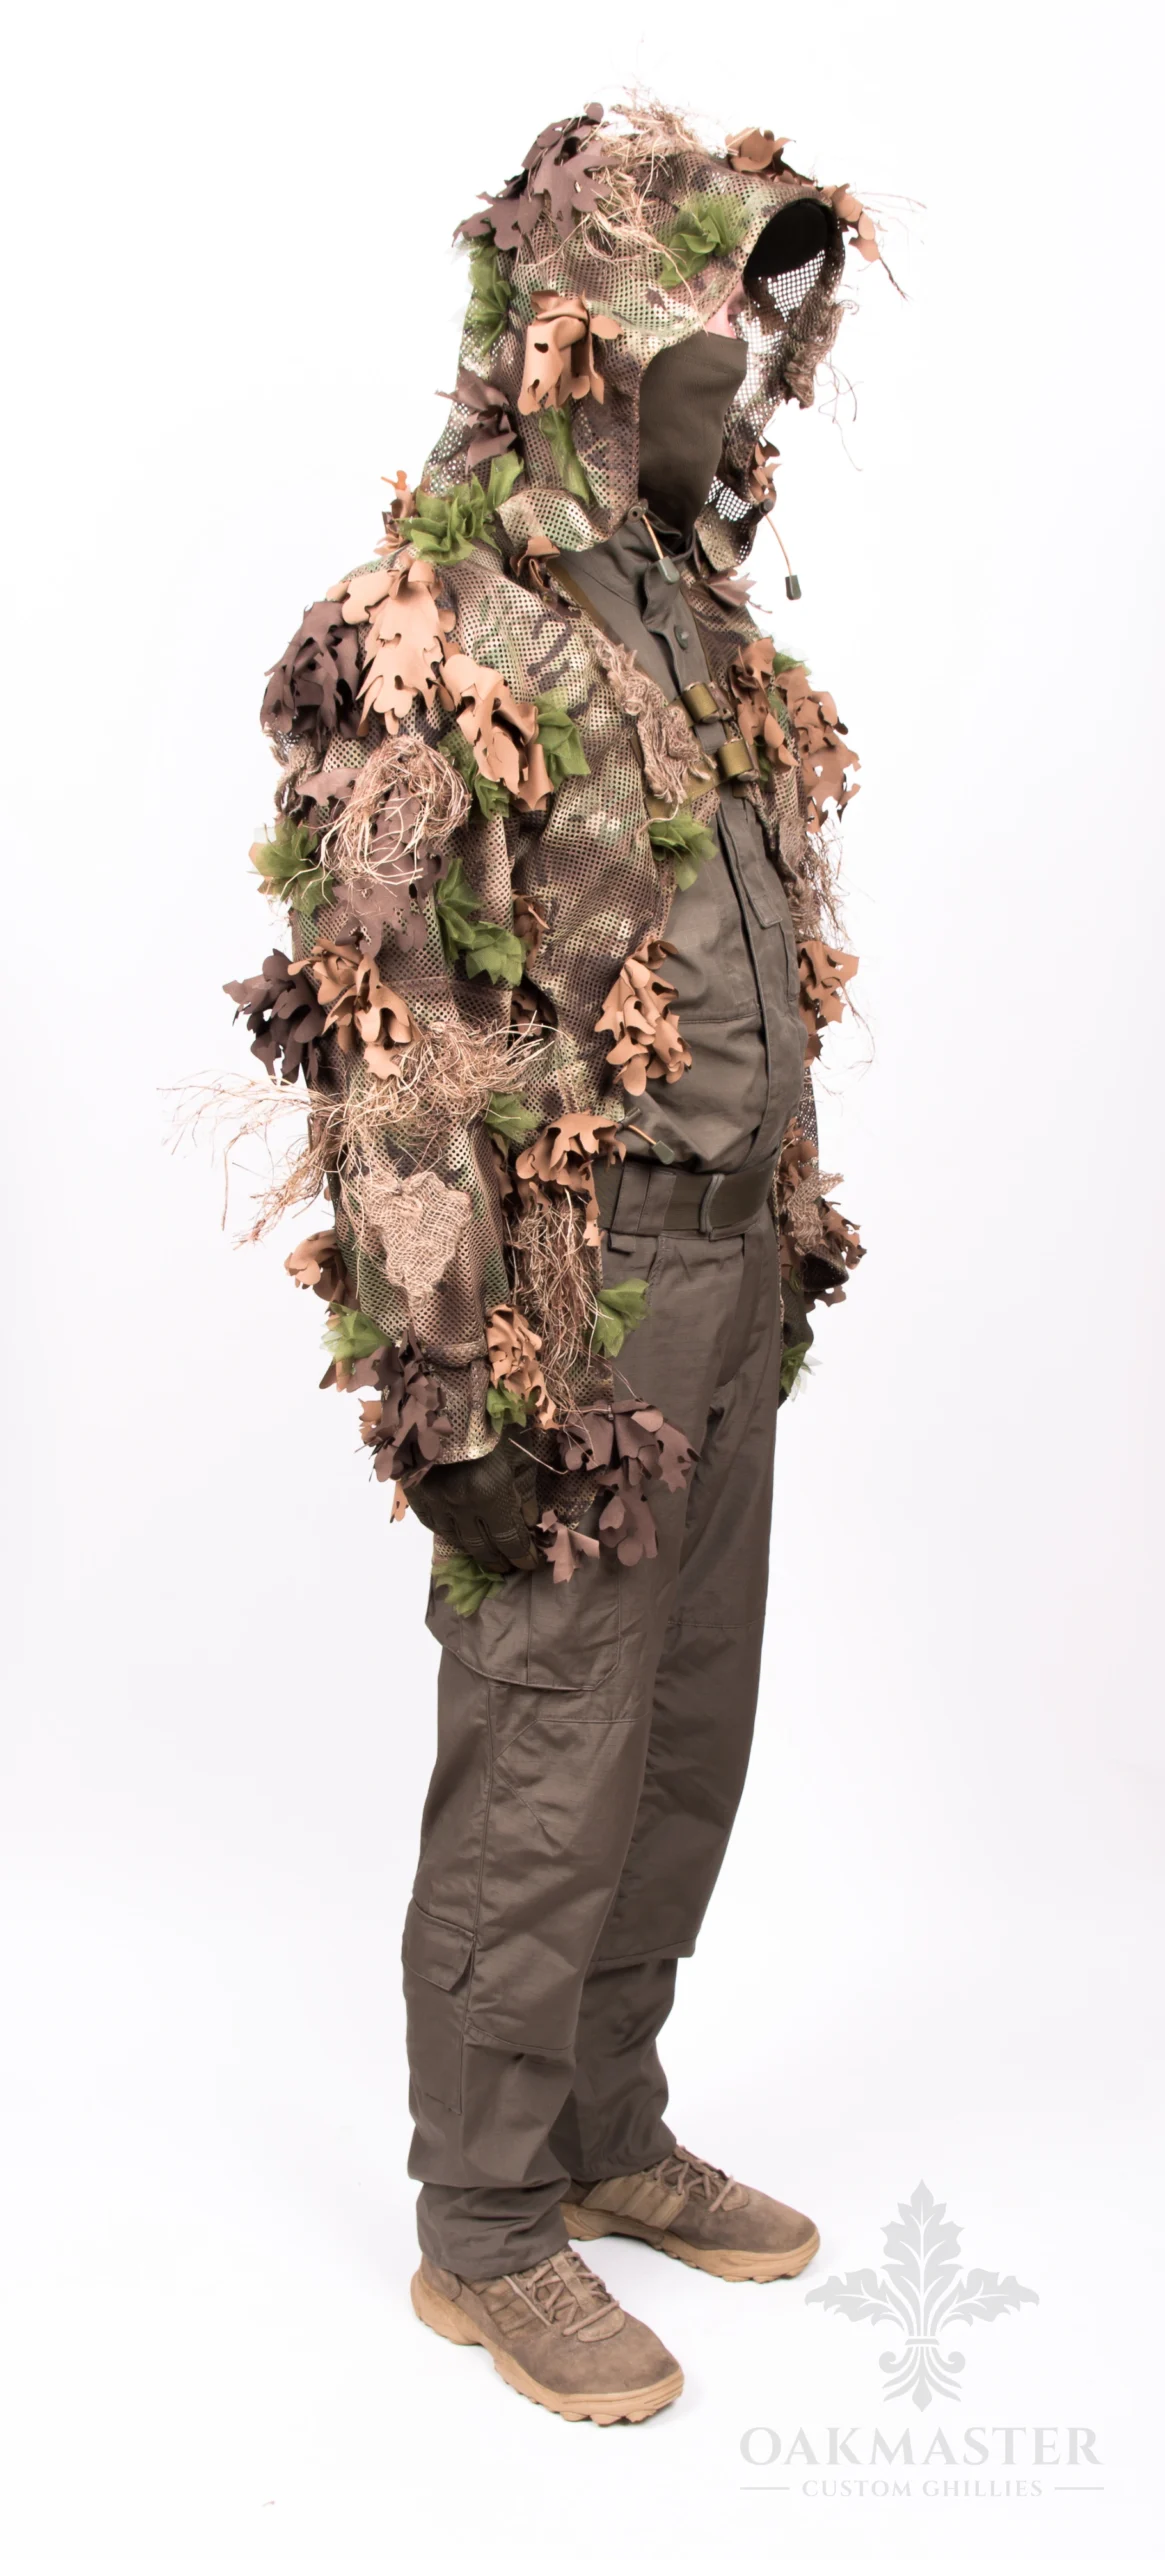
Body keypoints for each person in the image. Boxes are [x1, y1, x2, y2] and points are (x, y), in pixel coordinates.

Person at [227, 101, 880, 2424]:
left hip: (726, 1265)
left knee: (683, 1727)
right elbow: (387, 1027)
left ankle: (605, 2125)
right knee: (548, 1744)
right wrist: (448, 1376)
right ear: (583, 330)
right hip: (563, 1298)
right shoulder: (446, 614)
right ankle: (488, 2215)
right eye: (697, 325)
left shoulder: (686, 610)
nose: (739, 369)